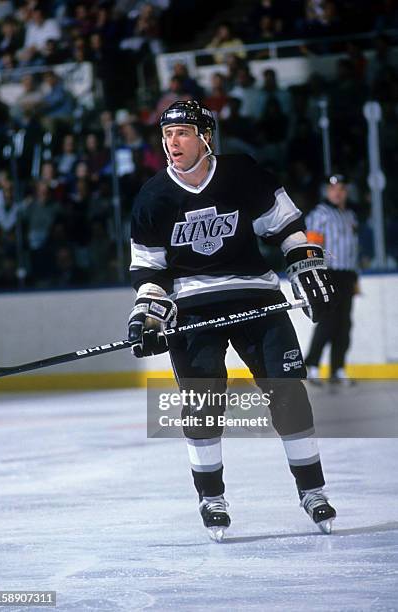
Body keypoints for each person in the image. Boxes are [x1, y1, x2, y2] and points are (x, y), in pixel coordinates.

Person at [127, 100, 337, 541]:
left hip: (256, 298)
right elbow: (150, 271)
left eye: (182, 132)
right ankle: (211, 497)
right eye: (167, 135)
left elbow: (284, 227)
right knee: (202, 406)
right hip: (194, 309)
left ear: (206, 136)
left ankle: (312, 490)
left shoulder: (241, 173)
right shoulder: (152, 196)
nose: (173, 142)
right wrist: (148, 312)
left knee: (289, 394)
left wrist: (306, 266)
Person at [305, 174, 359, 384]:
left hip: (346, 274)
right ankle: (313, 365)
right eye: (333, 188)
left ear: (346, 191)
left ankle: (337, 368)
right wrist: (315, 275)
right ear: (326, 191)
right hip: (328, 273)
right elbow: (312, 247)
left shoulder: (350, 215)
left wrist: (355, 278)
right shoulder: (320, 214)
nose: (337, 193)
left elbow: (352, 249)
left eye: (341, 189)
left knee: (344, 324)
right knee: (327, 322)